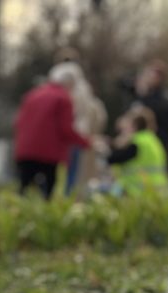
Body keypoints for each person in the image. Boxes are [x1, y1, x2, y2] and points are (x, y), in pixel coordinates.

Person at [13, 65, 90, 199]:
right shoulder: (63, 99)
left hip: (25, 151)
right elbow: (66, 129)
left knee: (23, 190)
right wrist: (86, 142)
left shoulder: (33, 94)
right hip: (48, 154)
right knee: (47, 194)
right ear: (69, 83)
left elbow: (18, 122)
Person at [51, 56, 107, 195]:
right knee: (73, 174)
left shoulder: (59, 83)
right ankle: (68, 198)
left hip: (66, 135)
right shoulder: (85, 90)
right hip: (79, 136)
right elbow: (98, 117)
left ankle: (61, 199)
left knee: (58, 172)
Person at [107, 106, 168, 195]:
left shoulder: (138, 142)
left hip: (138, 192)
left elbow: (115, 158)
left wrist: (116, 145)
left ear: (134, 126)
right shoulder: (152, 139)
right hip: (156, 190)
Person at [130, 60, 168, 156]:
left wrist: (143, 95)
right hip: (140, 142)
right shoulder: (140, 94)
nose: (147, 77)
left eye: (151, 74)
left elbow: (150, 113)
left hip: (156, 143)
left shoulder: (165, 98)